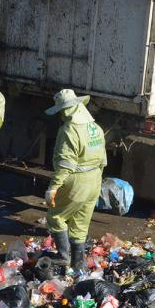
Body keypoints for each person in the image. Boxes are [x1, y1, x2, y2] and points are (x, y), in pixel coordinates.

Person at [44, 89, 107, 271]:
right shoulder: (96, 128)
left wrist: (53, 187)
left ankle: (63, 256)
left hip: (76, 182)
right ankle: (78, 265)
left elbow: (66, 164)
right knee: (80, 223)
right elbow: (103, 160)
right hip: (94, 180)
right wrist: (96, 179)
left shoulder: (69, 130)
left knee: (56, 216)